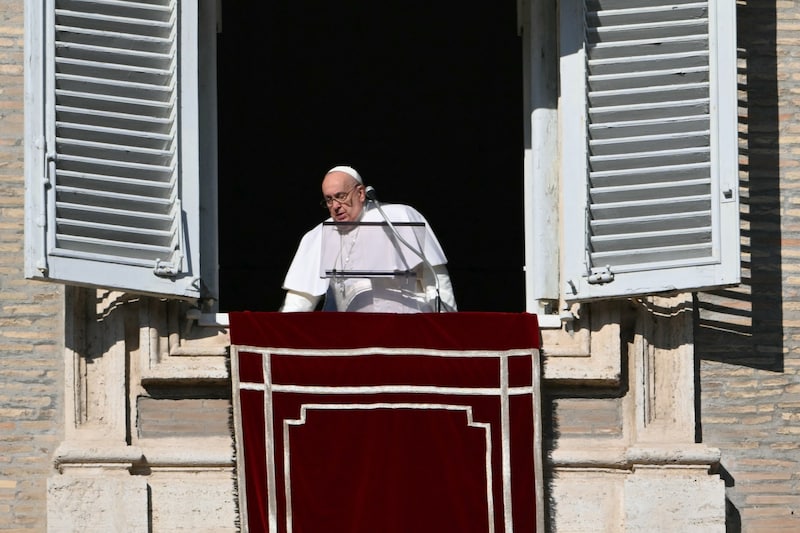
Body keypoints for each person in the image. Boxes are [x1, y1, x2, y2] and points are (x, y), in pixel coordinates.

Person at [280, 165, 457, 313]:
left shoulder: (397, 217)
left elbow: (436, 279)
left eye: (341, 196)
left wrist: (446, 326)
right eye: (328, 200)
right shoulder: (319, 235)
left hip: (408, 328)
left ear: (361, 193)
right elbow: (300, 300)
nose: (335, 206)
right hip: (354, 336)